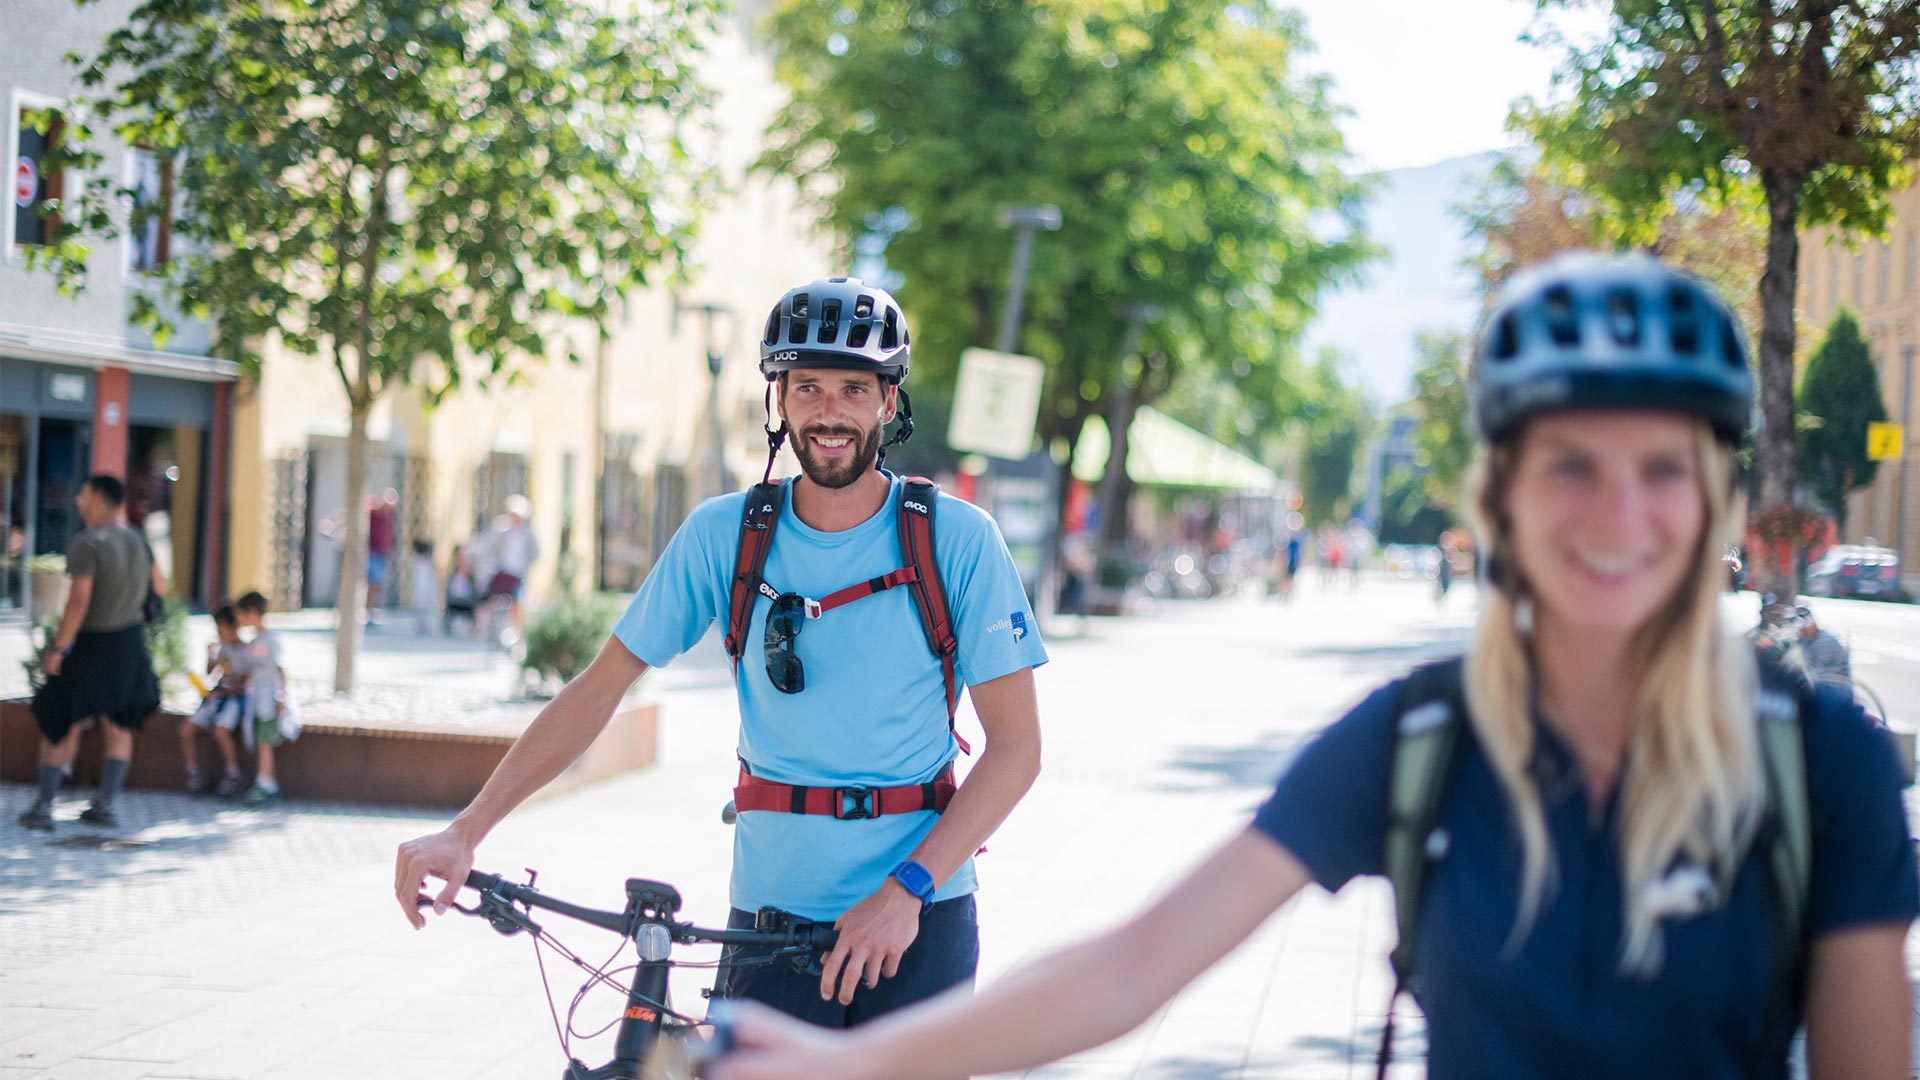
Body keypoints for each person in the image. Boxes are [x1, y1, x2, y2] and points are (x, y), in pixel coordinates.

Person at [708, 255, 1918, 1079]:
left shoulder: (1819, 763)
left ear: (1719, 499)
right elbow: (1132, 966)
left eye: (1664, 467)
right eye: (1569, 466)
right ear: (1498, 494)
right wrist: (850, 1061)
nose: (1619, 512)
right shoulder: (1423, 742)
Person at [396, 276, 1046, 1028]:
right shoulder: (726, 534)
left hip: (919, 917)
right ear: (779, 400)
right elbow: (599, 689)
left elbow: (1018, 750)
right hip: (768, 921)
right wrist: (465, 830)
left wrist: (907, 891)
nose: (829, 411)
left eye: (853, 389)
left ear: (888, 403)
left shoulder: (956, 540)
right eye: (807, 387)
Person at [17, 474, 165, 832]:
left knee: (58, 718)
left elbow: (79, 601)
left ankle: (44, 808)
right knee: (120, 725)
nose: (78, 502)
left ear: (100, 499)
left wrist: (57, 648)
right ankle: (105, 805)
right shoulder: (137, 540)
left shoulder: (87, 543)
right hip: (130, 644)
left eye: (83, 495)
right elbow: (159, 586)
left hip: (93, 644)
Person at [232, 590, 298, 807]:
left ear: (252, 613)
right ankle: (263, 781)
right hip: (257, 697)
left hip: (269, 697)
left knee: (264, 741)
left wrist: (282, 697)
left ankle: (266, 783)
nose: (239, 620)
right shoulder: (256, 640)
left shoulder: (271, 640)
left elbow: (282, 669)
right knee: (260, 739)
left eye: (241, 614)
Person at [178, 602, 249, 798]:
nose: (218, 632)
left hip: (233, 700)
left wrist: (227, 692)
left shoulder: (246, 651)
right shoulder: (223, 649)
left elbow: (245, 682)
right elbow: (212, 672)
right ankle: (194, 774)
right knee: (186, 729)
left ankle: (233, 775)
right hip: (217, 697)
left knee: (221, 731)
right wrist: (208, 655)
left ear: (233, 627)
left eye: (220, 627)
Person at [474, 493, 538, 639]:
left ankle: (520, 635)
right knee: (488, 599)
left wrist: (528, 566)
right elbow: (489, 546)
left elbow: (535, 554)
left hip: (518, 573)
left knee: (518, 603)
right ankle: (483, 630)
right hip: (502, 571)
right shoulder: (501, 529)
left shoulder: (528, 534)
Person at [366, 488, 398, 616]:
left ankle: (371, 608)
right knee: (371, 582)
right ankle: (367, 608)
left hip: (381, 554)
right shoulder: (371, 513)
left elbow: (388, 536)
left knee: (376, 583)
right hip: (370, 553)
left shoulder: (388, 517)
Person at [443, 543, 480, 636]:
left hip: (467, 600)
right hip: (454, 600)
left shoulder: (470, 573)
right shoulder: (451, 572)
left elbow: (474, 589)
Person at [407, 538, 438, 635]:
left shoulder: (421, 563)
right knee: (422, 608)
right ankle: (421, 627)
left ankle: (423, 626)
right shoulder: (419, 562)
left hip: (423, 590)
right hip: (421, 591)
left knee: (423, 608)